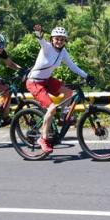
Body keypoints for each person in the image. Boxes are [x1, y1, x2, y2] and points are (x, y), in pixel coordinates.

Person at [26, 25, 94, 154]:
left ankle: (63, 116)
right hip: (34, 82)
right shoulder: (47, 47)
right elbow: (40, 39)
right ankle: (43, 138)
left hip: (47, 80)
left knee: (68, 92)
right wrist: (38, 32)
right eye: (57, 39)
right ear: (52, 39)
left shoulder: (63, 52)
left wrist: (87, 76)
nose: (59, 41)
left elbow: (72, 66)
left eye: (62, 39)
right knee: (51, 108)